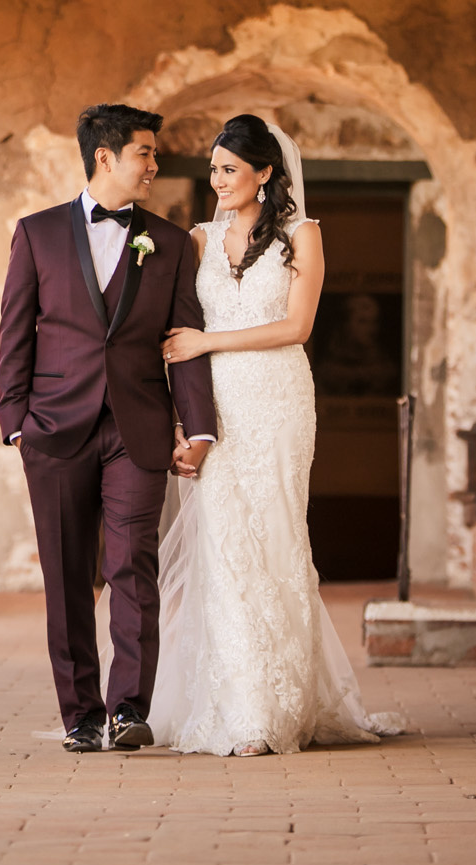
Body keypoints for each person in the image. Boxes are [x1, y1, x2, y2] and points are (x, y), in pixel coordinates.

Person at [148, 113, 401, 755]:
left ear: (265, 173)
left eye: (230, 168)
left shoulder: (303, 234)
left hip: (279, 401)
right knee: (224, 547)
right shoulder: (199, 239)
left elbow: (297, 327)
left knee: (277, 539)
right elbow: (176, 335)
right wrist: (185, 418)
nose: (218, 180)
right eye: (213, 168)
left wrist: (211, 340)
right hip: (218, 409)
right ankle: (236, 705)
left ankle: (278, 706)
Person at [0, 104, 218, 753]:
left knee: (133, 567)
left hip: (138, 428)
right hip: (54, 428)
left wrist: (196, 424)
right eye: (145, 153)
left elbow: (183, 341)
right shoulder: (36, 234)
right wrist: (16, 423)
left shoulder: (171, 244)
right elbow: (14, 333)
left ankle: (128, 708)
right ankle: (80, 714)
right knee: (67, 577)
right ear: (105, 157)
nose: (155, 164)